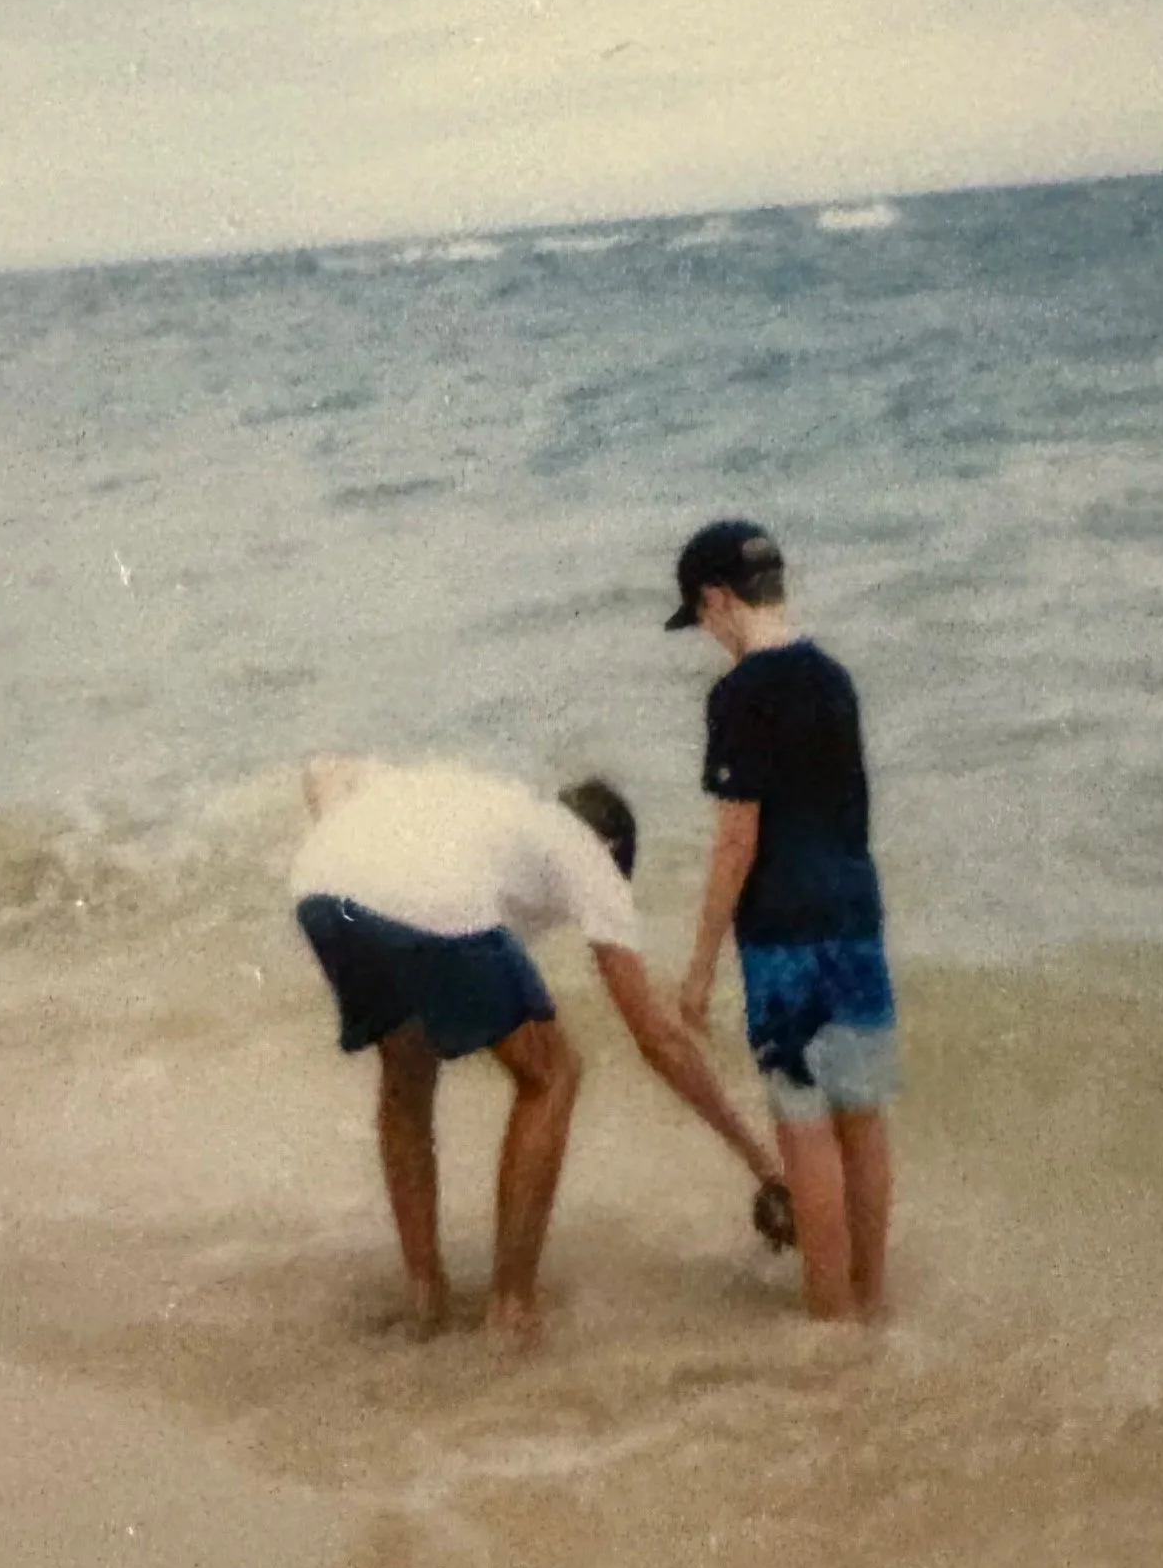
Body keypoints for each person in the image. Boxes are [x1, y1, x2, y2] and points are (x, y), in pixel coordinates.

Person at [289, 755, 781, 1340]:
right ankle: (511, 1310)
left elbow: (322, 768)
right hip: (425, 894)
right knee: (552, 1074)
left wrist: (350, 853)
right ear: (610, 843)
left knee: (407, 1064)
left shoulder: (486, 803)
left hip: (322, 885)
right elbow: (658, 1039)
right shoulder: (584, 849)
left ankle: (425, 1298)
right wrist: (762, 1163)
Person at [668, 521, 897, 1321]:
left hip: (784, 936)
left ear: (718, 599)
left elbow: (737, 839)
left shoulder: (738, 695)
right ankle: (871, 1302)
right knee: (860, 1117)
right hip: (855, 916)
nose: (707, 636)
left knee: (803, 1129)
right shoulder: (834, 679)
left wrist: (698, 967)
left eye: (700, 618)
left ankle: (830, 1325)